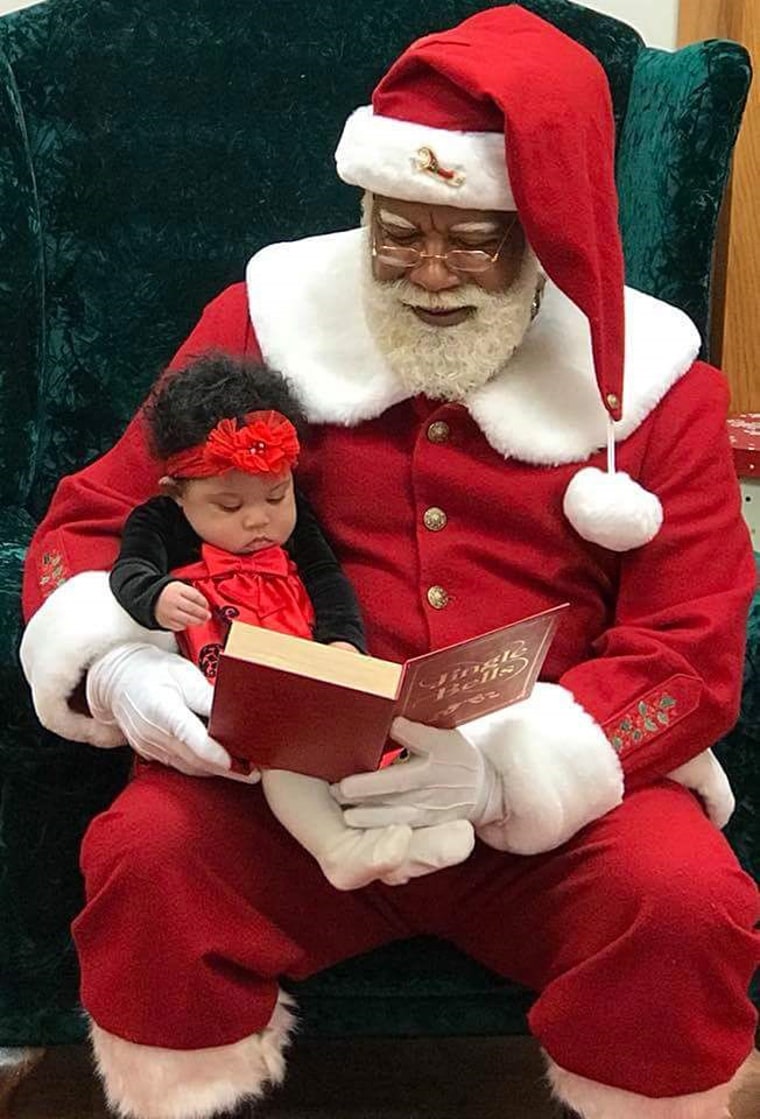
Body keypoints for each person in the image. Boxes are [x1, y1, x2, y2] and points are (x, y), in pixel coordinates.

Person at [19, 7, 759, 1119]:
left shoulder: (660, 386)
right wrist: (127, 667)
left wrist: (509, 769)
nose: (427, 272)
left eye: (471, 239)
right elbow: (93, 518)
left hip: (548, 797)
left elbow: (691, 649)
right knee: (150, 857)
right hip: (281, 787)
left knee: (685, 901)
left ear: (546, 232)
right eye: (396, 231)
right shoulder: (262, 321)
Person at [109, 350, 475, 891]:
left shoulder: (296, 525)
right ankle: (340, 848)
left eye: (275, 497)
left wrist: (343, 644)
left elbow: (330, 585)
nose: (258, 519)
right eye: (229, 508)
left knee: (370, 743)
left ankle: (409, 836)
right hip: (230, 683)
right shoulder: (160, 522)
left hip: (305, 665)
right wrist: (156, 597)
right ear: (177, 496)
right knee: (288, 760)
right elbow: (128, 570)